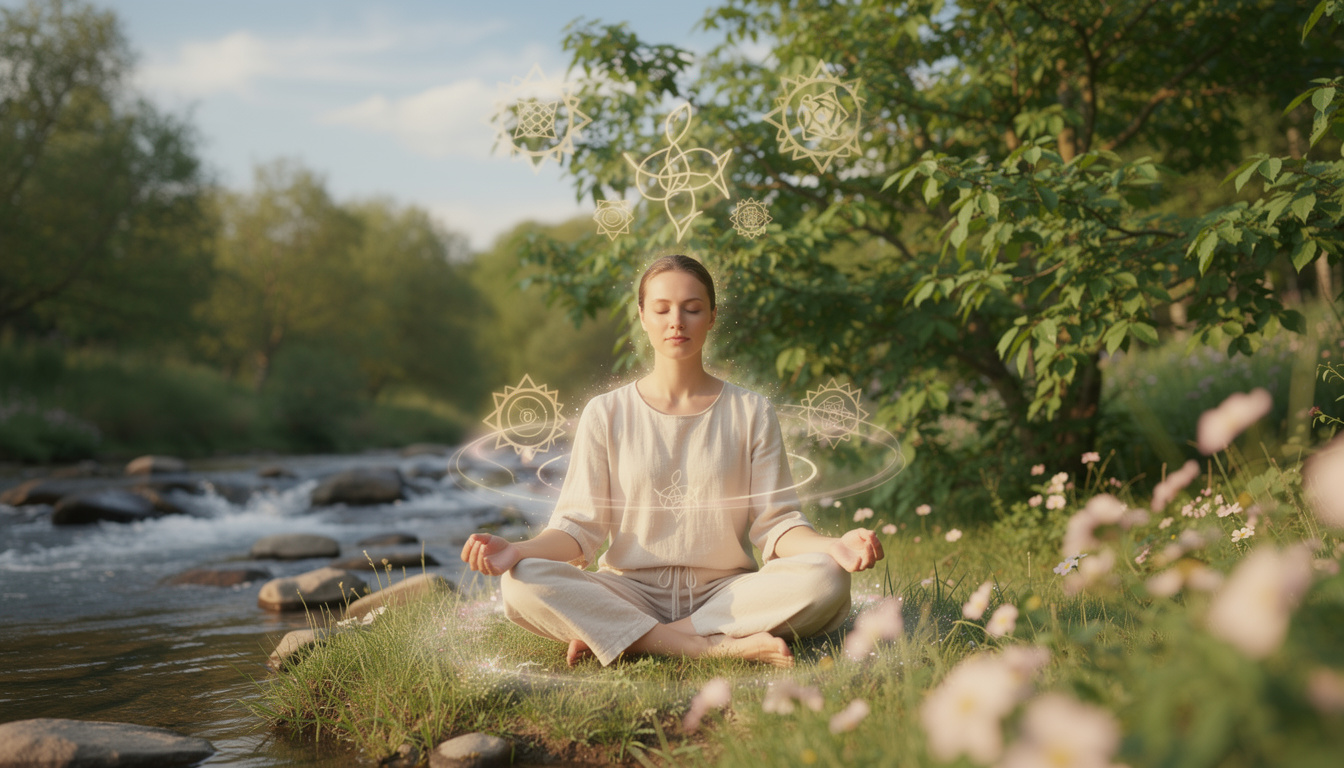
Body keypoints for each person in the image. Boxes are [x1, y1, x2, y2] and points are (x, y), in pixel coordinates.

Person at [460, 254, 883, 668]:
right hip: (628, 590)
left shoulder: (751, 411)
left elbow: (778, 524)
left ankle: (633, 637)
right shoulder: (605, 412)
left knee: (827, 576)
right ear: (643, 316)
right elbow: (578, 529)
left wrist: (833, 546)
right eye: (661, 309)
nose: (676, 321)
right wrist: (516, 550)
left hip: (726, 593)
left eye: (692, 308)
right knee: (523, 582)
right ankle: (704, 647)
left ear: (713, 317)